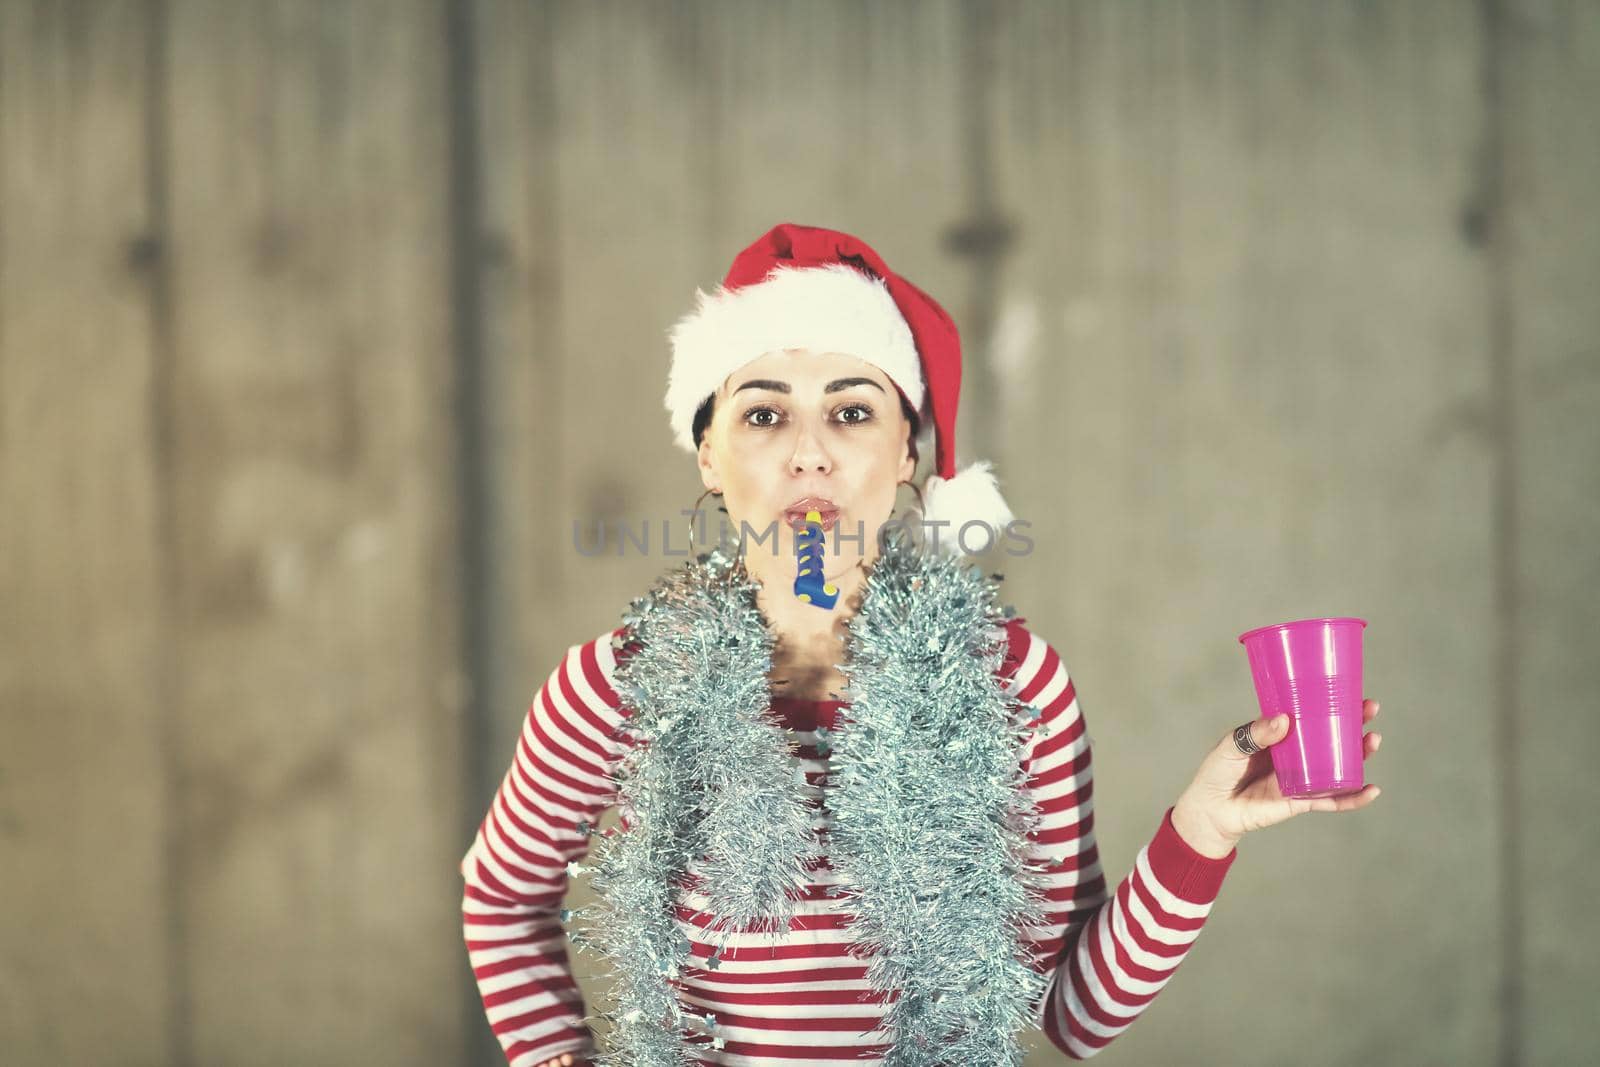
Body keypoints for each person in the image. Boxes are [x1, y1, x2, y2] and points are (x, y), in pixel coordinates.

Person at [459, 223, 1384, 1066]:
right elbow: (500, 901)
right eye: (765, 414)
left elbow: (1075, 1013)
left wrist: (1206, 827)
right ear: (708, 453)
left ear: (908, 451)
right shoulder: (618, 685)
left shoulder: (1013, 682)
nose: (811, 453)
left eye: (853, 412)